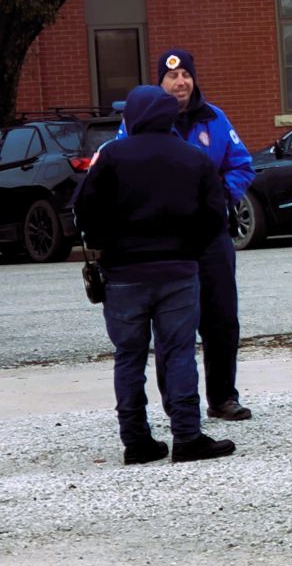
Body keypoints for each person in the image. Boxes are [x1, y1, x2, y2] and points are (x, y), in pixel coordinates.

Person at [73, 85, 236, 464]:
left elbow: (83, 210)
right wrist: (190, 248)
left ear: (133, 115)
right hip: (178, 270)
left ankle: (136, 440)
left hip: (124, 272)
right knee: (179, 352)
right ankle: (187, 436)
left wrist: (106, 245)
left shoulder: (112, 156)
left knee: (128, 356)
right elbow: (216, 214)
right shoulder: (192, 157)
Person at [154, 48, 255, 421]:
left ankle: (223, 397)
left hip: (212, 236)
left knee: (222, 318)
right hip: (167, 241)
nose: (180, 83)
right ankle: (177, 403)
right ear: (160, 82)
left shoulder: (215, 119)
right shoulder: (143, 122)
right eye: (171, 77)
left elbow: (243, 165)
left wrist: (219, 197)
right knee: (171, 324)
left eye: (185, 76)